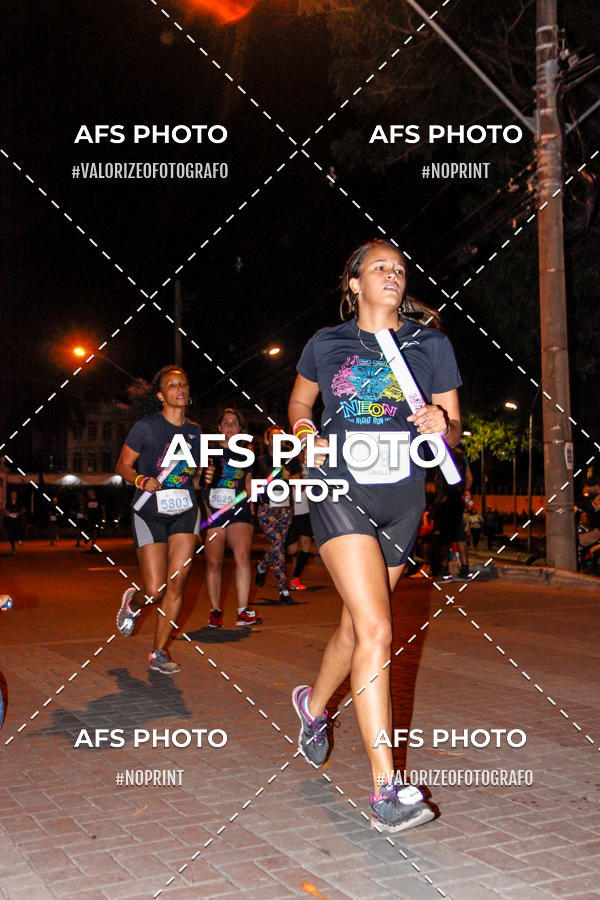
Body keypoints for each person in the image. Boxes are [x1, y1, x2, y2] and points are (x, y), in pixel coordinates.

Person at [288, 239, 462, 832]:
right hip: (339, 490)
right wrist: (305, 431)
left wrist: (443, 423)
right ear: (354, 283)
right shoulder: (325, 343)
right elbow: (300, 401)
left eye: (400, 269)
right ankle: (387, 790)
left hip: (402, 501)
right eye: (380, 267)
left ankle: (313, 706)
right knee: (379, 630)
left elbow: (452, 429)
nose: (393, 275)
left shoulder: (431, 345)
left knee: (354, 628)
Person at [115, 366, 201, 674]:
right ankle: (134, 603)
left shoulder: (195, 432)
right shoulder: (146, 427)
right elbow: (123, 466)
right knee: (155, 589)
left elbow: (191, 474)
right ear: (161, 395)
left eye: (183, 383)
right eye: (172, 385)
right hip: (149, 512)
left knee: (177, 582)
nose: (180, 389)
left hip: (184, 511)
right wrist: (140, 480)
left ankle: (158, 652)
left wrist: (204, 476)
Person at [203, 408, 261, 627]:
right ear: (219, 427)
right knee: (214, 562)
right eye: (225, 422)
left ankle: (243, 611)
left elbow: (248, 482)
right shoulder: (208, 450)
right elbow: (201, 483)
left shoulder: (247, 453)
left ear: (240, 428)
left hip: (239, 510)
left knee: (243, 557)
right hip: (214, 511)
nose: (229, 426)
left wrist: (252, 507)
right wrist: (207, 512)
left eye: (233, 423)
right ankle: (215, 611)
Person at [254, 427, 300, 604]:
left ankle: (262, 566)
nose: (278, 440)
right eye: (274, 437)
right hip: (267, 508)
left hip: (285, 508)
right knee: (278, 547)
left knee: (277, 547)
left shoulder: (290, 460)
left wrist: (290, 478)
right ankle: (283, 591)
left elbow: (300, 484)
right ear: (267, 441)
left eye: (281, 437)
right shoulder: (260, 461)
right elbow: (254, 485)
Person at [434, 445, 473, 579]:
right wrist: (465, 491)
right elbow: (469, 477)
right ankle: (465, 568)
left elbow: (441, 480)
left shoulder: (443, 454)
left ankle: (444, 569)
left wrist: (441, 498)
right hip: (457, 500)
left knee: (444, 536)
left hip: (445, 500)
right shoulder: (462, 455)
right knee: (459, 535)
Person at [286, 463, 314, 591]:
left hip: (307, 512)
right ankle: (265, 564)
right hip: (292, 512)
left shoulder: (312, 466)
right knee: (292, 550)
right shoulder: (290, 465)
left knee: (306, 545)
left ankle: (295, 578)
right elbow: (300, 487)